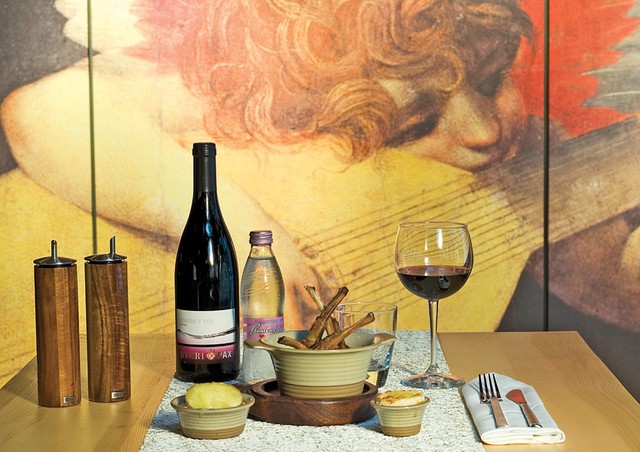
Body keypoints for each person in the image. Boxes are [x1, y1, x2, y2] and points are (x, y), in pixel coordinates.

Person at [0, 0, 637, 378]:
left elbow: (615, 283)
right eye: (415, 124)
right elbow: (49, 109)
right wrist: (242, 227)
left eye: (494, 80)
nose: (484, 131)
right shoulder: (283, 100)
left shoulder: (544, 162)